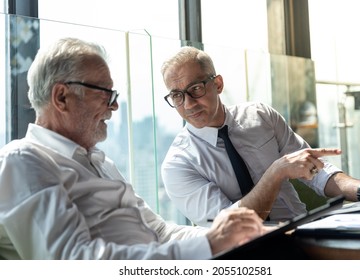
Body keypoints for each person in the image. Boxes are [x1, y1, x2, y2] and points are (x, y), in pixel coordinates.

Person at [0, 38, 268, 260]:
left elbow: (161, 233)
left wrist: (244, 234)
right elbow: (75, 261)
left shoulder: (101, 164)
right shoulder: (24, 160)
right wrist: (210, 244)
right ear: (61, 97)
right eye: (105, 93)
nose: (114, 106)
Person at [160, 46, 360, 227]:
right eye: (177, 95)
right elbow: (232, 225)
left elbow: (316, 172)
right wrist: (276, 172)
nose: (188, 103)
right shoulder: (178, 164)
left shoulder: (260, 115)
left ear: (217, 84)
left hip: (304, 231)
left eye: (196, 89)